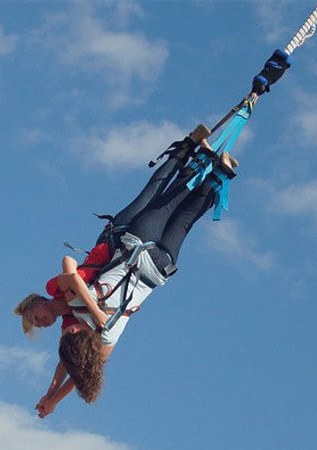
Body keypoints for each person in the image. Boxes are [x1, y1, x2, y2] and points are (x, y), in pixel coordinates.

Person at [15, 125, 239, 417]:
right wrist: (53, 397)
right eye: (41, 325)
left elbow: (69, 271)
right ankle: (214, 175)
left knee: (158, 196)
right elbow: (73, 366)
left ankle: (191, 153)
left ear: (37, 303)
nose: (48, 326)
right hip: (152, 264)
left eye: (36, 318)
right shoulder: (86, 328)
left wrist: (52, 394)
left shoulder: (70, 302)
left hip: (122, 242)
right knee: (180, 218)